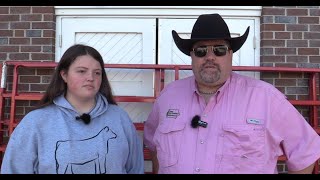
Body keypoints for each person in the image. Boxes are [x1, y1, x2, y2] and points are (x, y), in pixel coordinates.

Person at [143, 13, 320, 174]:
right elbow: (154, 146)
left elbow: (306, 149)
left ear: (230, 54)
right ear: (192, 55)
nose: (210, 57)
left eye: (219, 49)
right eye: (201, 50)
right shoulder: (168, 97)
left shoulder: (266, 98)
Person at [1, 44, 144, 174]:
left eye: (97, 73)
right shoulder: (36, 122)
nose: (90, 78)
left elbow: (135, 168)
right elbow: (13, 169)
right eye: (82, 71)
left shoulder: (119, 118)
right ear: (64, 75)